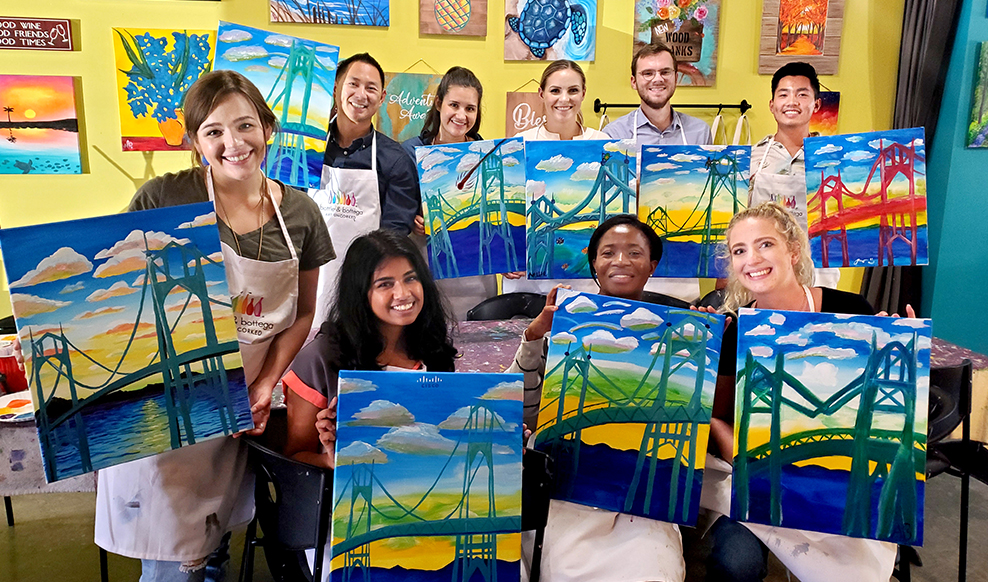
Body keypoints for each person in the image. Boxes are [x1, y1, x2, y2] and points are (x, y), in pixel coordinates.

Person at [95, 69, 335, 582]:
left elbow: (302, 313)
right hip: (164, 409)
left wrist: (264, 385)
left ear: (267, 128)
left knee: (214, 544)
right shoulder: (164, 198)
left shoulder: (301, 213)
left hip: (238, 409)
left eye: (246, 125)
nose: (234, 144)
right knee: (169, 563)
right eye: (214, 132)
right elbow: (110, 282)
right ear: (195, 141)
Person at [701, 202, 897, 582]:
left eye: (765, 245)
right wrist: (747, 461)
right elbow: (717, 418)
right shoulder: (734, 329)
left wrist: (895, 344)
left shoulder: (850, 310)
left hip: (841, 475)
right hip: (756, 474)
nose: (751, 259)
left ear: (792, 250)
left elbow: (878, 416)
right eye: (739, 250)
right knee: (735, 565)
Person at [511, 215, 686, 582]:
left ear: (652, 265)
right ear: (594, 263)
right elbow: (522, 412)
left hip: (645, 495)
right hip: (569, 488)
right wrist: (532, 339)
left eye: (634, 252)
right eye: (608, 252)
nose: (620, 261)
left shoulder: (682, 330)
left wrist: (709, 342)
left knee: (656, 571)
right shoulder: (562, 326)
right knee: (559, 569)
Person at [280, 229, 456, 579]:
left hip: (432, 503)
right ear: (361, 293)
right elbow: (294, 457)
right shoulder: (322, 357)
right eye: (385, 284)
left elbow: (442, 440)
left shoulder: (432, 349)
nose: (402, 294)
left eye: (411, 279)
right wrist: (330, 461)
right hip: (346, 514)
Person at [308, 53, 422, 325]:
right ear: (336, 88)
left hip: (367, 285)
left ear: (381, 98)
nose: (361, 94)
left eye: (371, 88)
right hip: (309, 279)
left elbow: (394, 233)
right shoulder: (306, 148)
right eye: (353, 84)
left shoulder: (394, 160)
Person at [602, 41, 714, 303]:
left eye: (665, 72)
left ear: (676, 77)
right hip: (628, 266)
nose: (657, 79)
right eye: (647, 73)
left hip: (684, 270)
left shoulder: (701, 132)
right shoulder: (613, 135)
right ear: (634, 81)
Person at [505, 60, 611, 296]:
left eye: (573, 90)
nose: (564, 99)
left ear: (583, 93)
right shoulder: (519, 144)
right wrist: (505, 258)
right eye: (555, 90)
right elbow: (506, 211)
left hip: (588, 285)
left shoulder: (604, 143)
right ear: (541, 94)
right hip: (526, 286)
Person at [401, 66, 497, 319]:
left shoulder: (490, 156)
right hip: (426, 269)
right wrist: (411, 219)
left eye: (470, 108)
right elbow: (397, 210)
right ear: (439, 103)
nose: (461, 115)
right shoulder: (409, 153)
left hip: (478, 276)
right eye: (454, 105)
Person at [748, 62, 839, 289]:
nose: (792, 102)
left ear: (816, 104)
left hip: (818, 276)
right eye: (784, 94)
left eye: (802, 94)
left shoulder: (834, 161)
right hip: (759, 270)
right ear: (772, 104)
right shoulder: (749, 159)